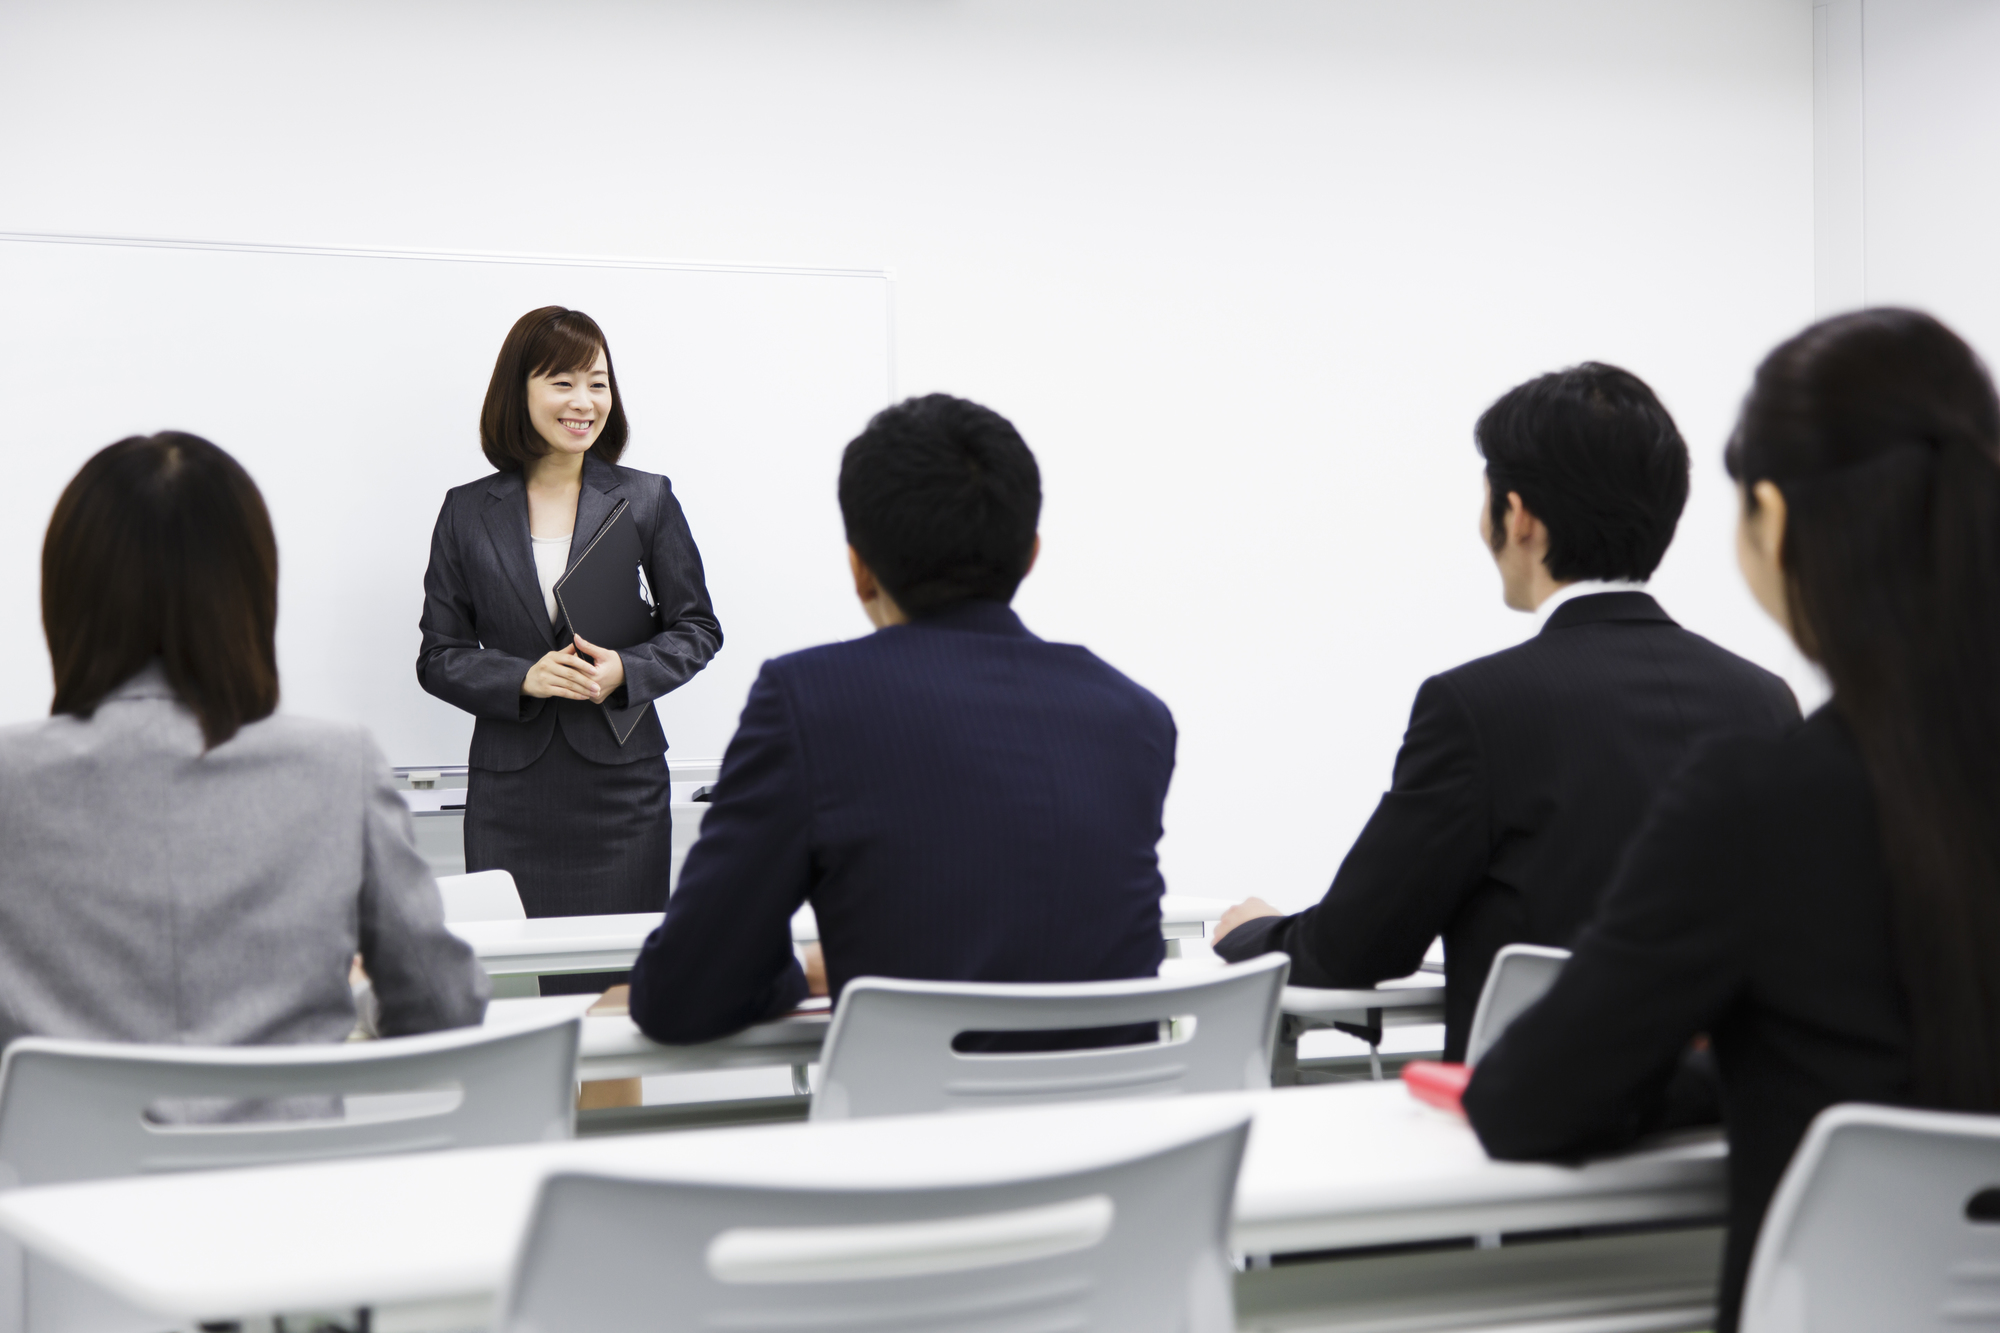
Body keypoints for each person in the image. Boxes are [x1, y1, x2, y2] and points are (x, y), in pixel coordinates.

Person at [1463, 308, 2000, 1331]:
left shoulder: (1762, 793)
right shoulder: (1762, 725)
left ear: (1771, 516)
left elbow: (1526, 1101)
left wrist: (1720, 1070)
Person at [1211, 363, 1798, 1059]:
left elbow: (1351, 948)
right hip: (1725, 1131)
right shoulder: (1766, 700)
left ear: (1517, 516)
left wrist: (1251, 932)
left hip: (1538, 1129)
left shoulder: (1477, 706)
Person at [625, 393, 1176, 1044]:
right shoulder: (1135, 718)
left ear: (859, 568)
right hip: (1127, 1140)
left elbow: (686, 994)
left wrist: (808, 974)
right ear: (1030, 553)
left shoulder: (809, 700)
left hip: (911, 1142)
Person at [0, 432, 487, 1051]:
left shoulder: (9, 778)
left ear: (66, 594)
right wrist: (358, 997)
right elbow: (446, 1010)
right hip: (285, 1145)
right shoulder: (338, 767)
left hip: (60, 1149)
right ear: (251, 589)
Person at [417, 307, 721, 997]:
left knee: (616, 994)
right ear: (518, 391)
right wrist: (522, 676)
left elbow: (697, 626)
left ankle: (610, 1112)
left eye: (598, 383)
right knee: (516, 995)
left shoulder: (646, 498)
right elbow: (439, 653)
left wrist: (626, 670)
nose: (584, 402)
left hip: (621, 792)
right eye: (562, 381)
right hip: (511, 794)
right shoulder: (467, 510)